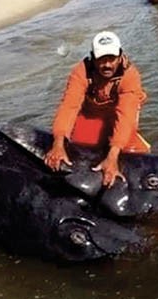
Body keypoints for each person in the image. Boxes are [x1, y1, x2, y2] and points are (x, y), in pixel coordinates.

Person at [44, 31, 150, 187]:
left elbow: (125, 116)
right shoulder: (81, 72)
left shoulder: (130, 75)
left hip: (118, 113)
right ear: (93, 58)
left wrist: (113, 155)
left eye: (111, 59)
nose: (107, 65)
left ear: (120, 56)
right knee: (80, 152)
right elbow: (69, 106)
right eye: (101, 59)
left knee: (134, 156)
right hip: (92, 113)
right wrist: (58, 143)